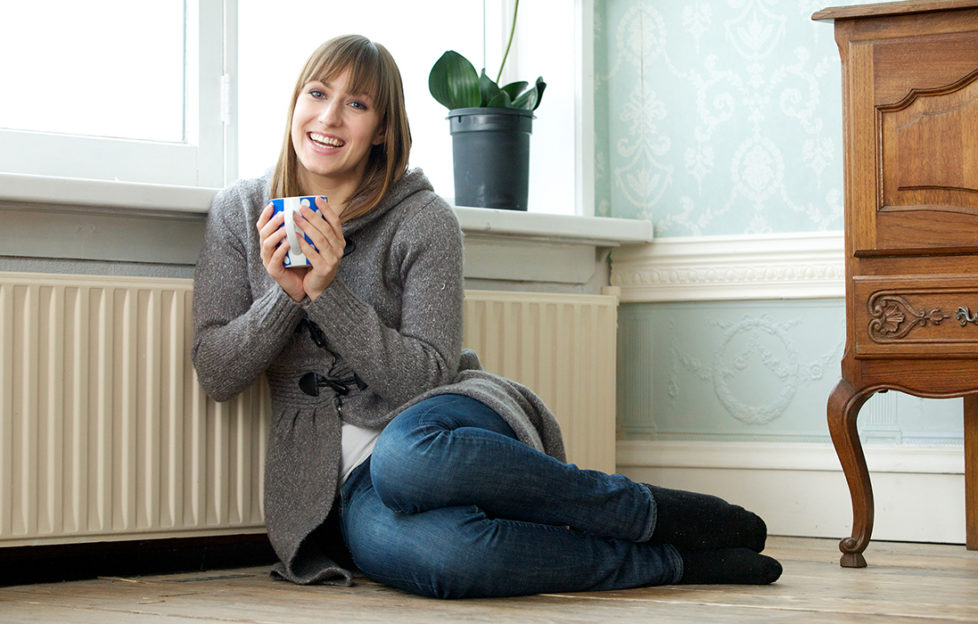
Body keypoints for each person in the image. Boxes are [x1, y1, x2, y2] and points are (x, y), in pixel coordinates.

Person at [192, 34, 782, 599]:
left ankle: (638, 509)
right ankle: (671, 562)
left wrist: (329, 294)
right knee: (452, 559)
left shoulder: (423, 219)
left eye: (357, 104)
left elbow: (426, 376)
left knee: (406, 459)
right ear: (296, 101)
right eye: (317, 94)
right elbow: (217, 373)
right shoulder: (239, 212)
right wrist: (286, 294)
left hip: (440, 421)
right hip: (348, 484)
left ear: (382, 130)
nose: (329, 118)